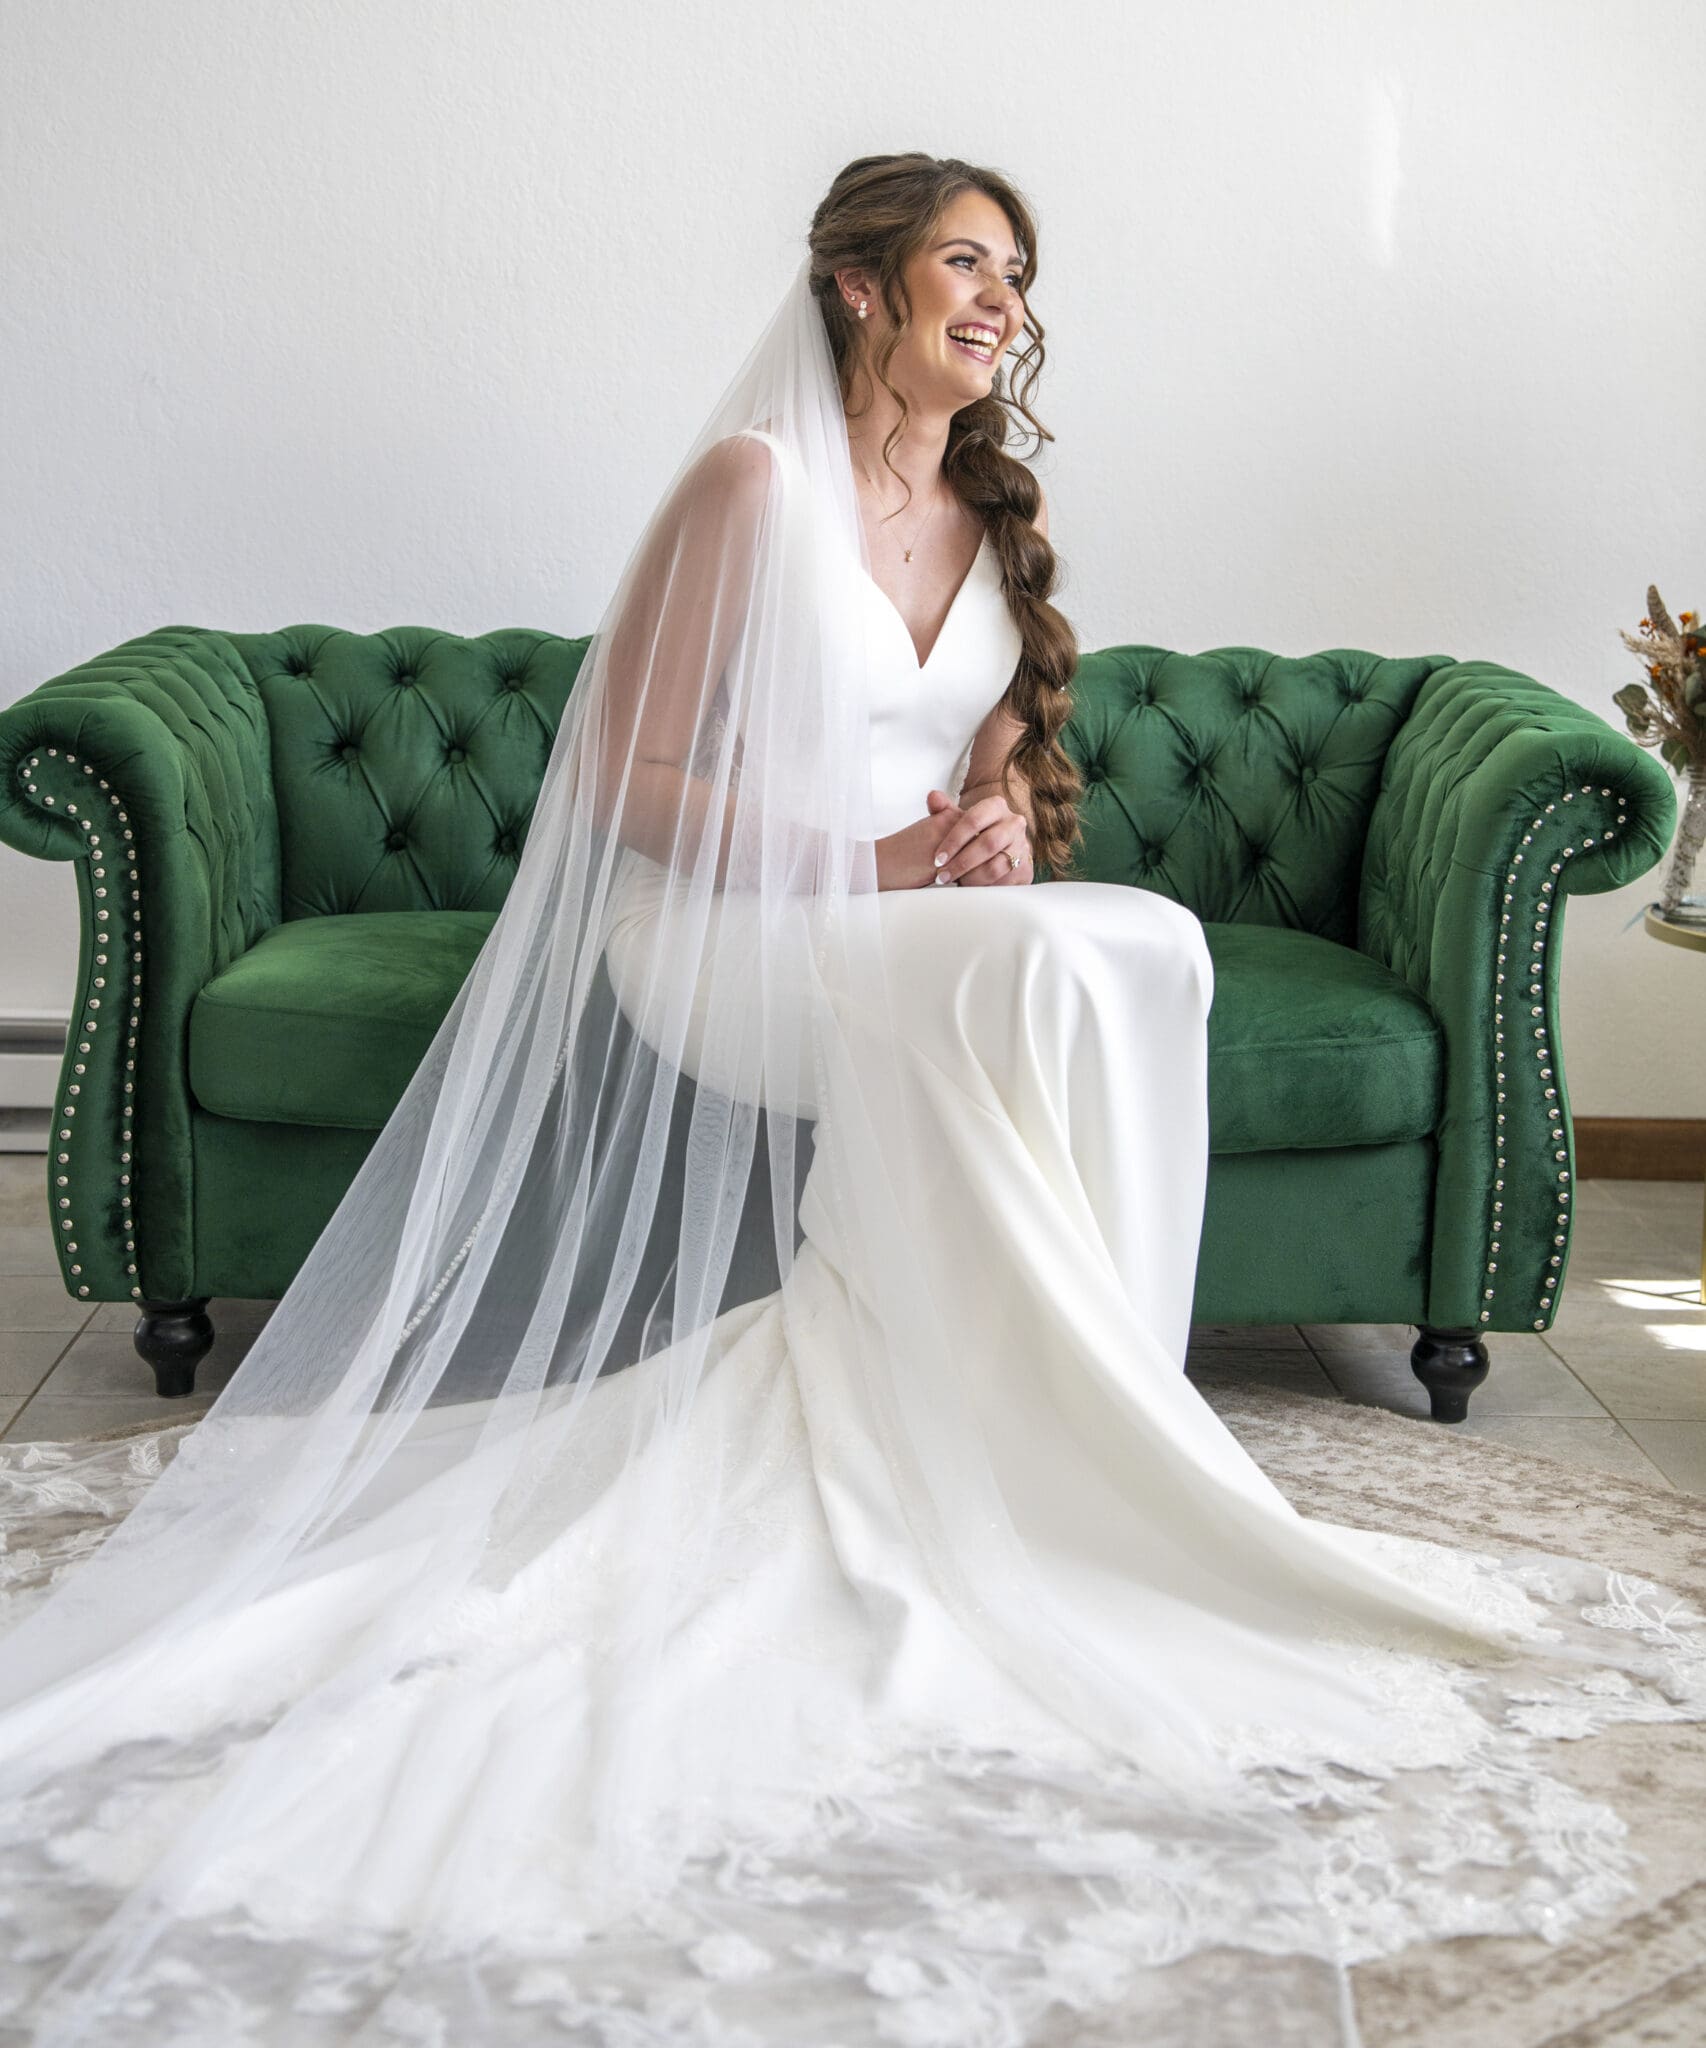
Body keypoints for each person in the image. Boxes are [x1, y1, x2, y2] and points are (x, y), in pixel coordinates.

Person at [0, 152, 1701, 2048]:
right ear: (855, 288)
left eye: (1018, 273)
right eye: (964, 261)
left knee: (1133, 937)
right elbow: (625, 784)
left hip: (886, 927)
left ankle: (1079, 1424)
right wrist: (872, 866)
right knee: (1077, 955)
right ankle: (1038, 1442)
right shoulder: (756, 485)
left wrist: (982, 830)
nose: (1002, 298)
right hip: (712, 937)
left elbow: (982, 793)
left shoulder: (993, 506)